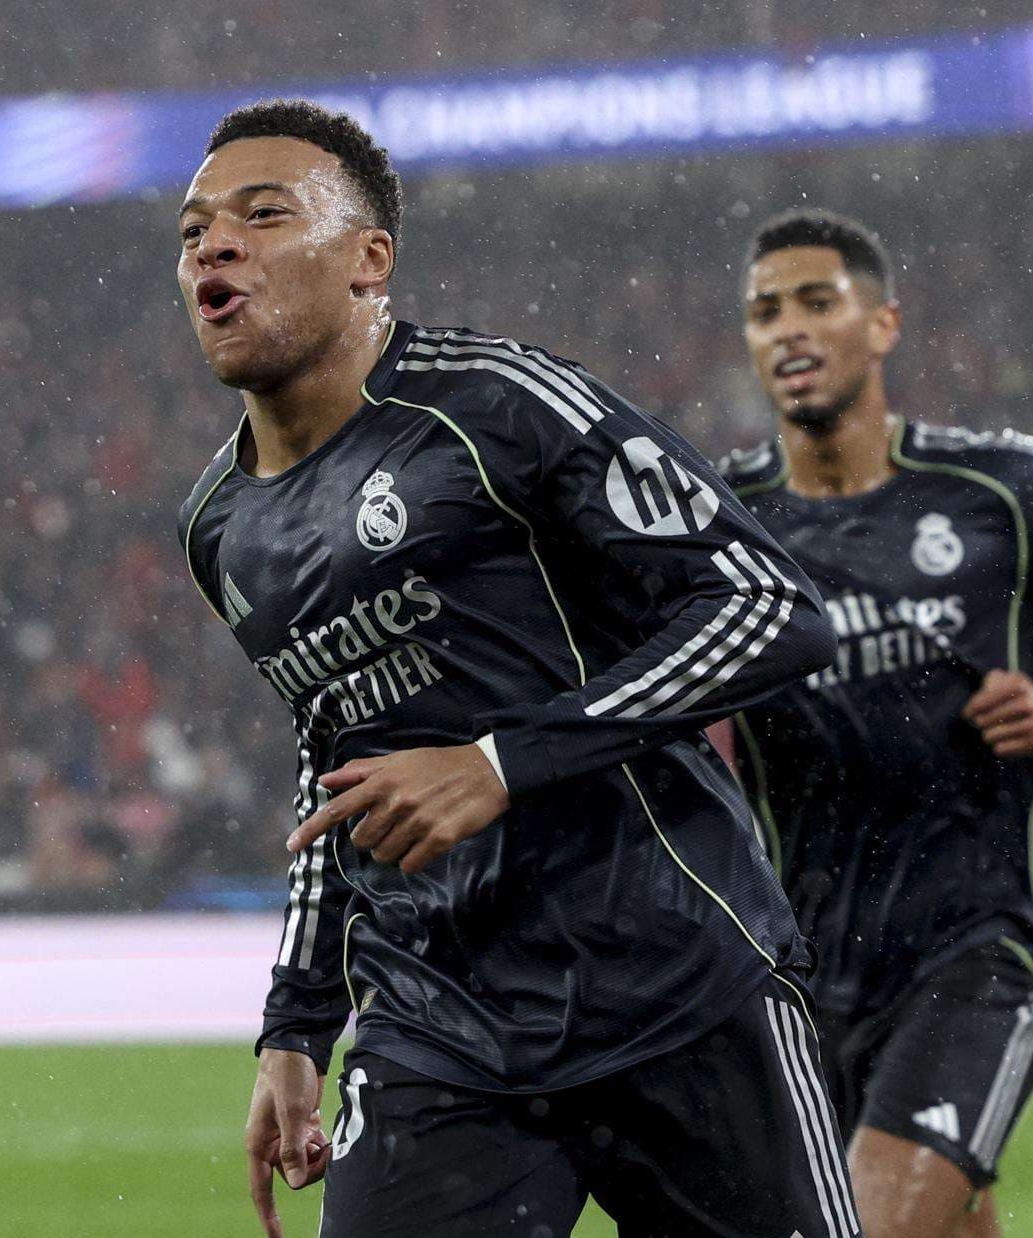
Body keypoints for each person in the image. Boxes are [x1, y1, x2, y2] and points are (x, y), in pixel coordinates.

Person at [174, 100, 859, 1238]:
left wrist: (505, 760)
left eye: (262, 214)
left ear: (367, 261)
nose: (214, 244)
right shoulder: (218, 522)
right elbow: (332, 753)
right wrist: (295, 1023)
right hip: (438, 1024)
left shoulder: (497, 403)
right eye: (193, 230)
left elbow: (768, 604)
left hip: (674, 977)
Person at [717, 209, 1033, 1237]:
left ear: (882, 323)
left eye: (816, 301)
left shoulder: (999, 487)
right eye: (764, 312)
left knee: (871, 1223)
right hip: (805, 968)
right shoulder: (719, 522)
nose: (788, 329)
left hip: (980, 948)